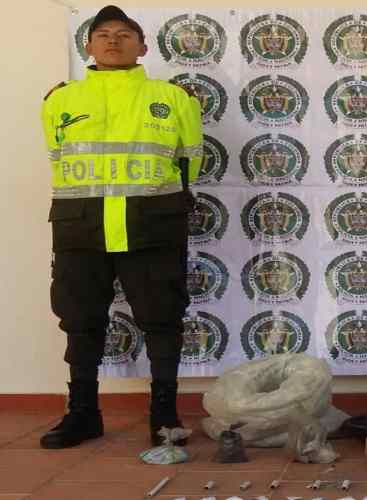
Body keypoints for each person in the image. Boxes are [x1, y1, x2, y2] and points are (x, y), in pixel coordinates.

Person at [39, 5, 203, 449]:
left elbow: (190, 160)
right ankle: (83, 414)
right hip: (81, 226)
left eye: (125, 34)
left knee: (163, 318)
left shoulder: (174, 98)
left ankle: (164, 416)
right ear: (88, 46)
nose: (113, 40)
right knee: (79, 320)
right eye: (104, 34)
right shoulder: (59, 100)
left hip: (152, 224)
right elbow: (57, 157)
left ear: (142, 47)